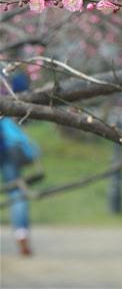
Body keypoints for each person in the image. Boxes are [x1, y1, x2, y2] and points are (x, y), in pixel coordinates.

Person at [0, 71, 39, 257]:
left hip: (6, 144)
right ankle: (21, 232)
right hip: (8, 144)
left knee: (16, 189)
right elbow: (23, 87)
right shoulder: (6, 73)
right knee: (16, 190)